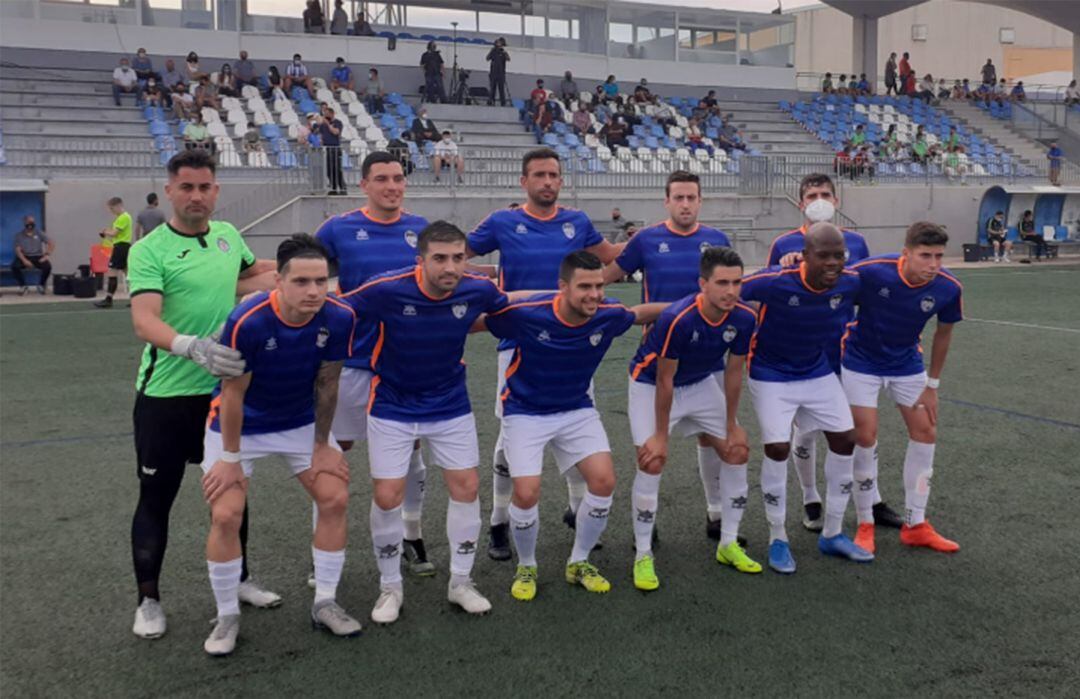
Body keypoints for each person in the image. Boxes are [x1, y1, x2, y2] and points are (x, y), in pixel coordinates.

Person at [126, 149, 278, 640]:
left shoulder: (229, 237)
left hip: (224, 394)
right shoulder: (149, 250)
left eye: (205, 187)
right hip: (166, 397)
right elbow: (144, 319)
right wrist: (191, 347)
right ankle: (148, 599)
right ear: (170, 190)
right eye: (186, 187)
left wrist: (304, 271)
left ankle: (240, 579)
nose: (197, 196)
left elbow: (250, 275)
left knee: (232, 492)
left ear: (216, 191)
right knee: (157, 498)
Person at [340, 222, 513, 624]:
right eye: (439, 258)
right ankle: (390, 586)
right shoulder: (385, 288)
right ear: (421, 260)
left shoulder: (477, 290)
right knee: (386, 496)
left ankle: (461, 582)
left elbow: (508, 310)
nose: (450, 267)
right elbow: (337, 308)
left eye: (458, 257)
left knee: (466, 488)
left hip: (450, 404)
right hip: (392, 405)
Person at [200, 235, 360, 656]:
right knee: (226, 513)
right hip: (239, 426)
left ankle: (325, 601)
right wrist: (231, 459)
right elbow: (232, 393)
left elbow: (328, 383)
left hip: (299, 422)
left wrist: (323, 444)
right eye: (302, 282)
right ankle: (226, 614)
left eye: (321, 281)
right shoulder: (248, 319)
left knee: (335, 498)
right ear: (279, 282)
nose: (313, 291)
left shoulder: (340, 316)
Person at [477, 251, 665, 600]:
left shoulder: (607, 314)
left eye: (598, 286)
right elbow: (480, 321)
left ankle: (578, 562)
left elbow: (642, 313)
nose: (594, 294)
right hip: (524, 411)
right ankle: (527, 566)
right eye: (584, 287)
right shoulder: (528, 313)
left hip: (576, 409)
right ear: (562, 287)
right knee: (527, 491)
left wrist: (695, 303)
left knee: (604, 481)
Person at [466, 148, 624, 561]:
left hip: (572, 342)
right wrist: (489, 288)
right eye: (539, 175)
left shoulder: (578, 222)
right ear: (524, 181)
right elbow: (455, 254)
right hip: (517, 342)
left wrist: (590, 294)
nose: (548, 182)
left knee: (574, 424)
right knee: (508, 437)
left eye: (554, 174)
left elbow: (614, 259)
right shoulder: (502, 221)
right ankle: (499, 519)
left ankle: (576, 508)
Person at [314, 152, 434, 576]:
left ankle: (412, 534)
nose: (392, 186)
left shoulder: (421, 230)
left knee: (412, 451)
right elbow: (306, 273)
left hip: (407, 363)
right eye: (382, 178)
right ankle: (323, 549)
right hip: (353, 361)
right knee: (334, 453)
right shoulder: (338, 228)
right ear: (363, 184)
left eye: (398, 178)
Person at [765, 174, 902, 531]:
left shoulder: (856, 241)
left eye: (826, 194)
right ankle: (811, 497)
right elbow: (769, 290)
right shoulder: (784, 243)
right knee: (806, 430)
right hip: (801, 350)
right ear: (801, 203)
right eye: (812, 195)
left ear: (837, 201)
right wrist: (788, 265)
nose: (819, 200)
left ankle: (872, 497)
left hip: (846, 350)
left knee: (858, 427)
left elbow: (866, 291)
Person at [741, 223, 873, 574]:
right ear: (806, 255)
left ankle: (831, 532)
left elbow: (883, 277)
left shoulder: (850, 281)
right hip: (770, 373)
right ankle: (777, 537)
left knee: (847, 439)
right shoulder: (776, 281)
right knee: (778, 447)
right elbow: (731, 291)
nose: (833, 263)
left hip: (817, 371)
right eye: (824, 256)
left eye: (839, 255)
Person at [627, 247, 759, 590]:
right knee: (652, 459)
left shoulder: (744, 317)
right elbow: (664, 378)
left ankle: (728, 543)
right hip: (649, 383)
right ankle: (643, 553)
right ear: (703, 284)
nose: (731, 291)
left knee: (737, 450)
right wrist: (660, 435)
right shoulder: (677, 317)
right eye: (722, 283)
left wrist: (732, 424)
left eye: (737, 282)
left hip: (700, 383)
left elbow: (733, 371)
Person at [844, 222, 963, 556]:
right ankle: (865, 522)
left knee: (926, 431)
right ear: (906, 253)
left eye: (939, 256)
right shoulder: (871, 272)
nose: (933, 265)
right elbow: (830, 287)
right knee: (865, 436)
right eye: (925, 256)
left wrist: (932, 384)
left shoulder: (948, 287)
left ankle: (916, 523)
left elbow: (944, 333)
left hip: (907, 365)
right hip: (860, 364)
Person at [94, 197, 134, 308]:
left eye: (112, 208)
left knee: (112, 272)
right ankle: (135, 299)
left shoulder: (123, 217)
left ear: (118, 206)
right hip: (123, 246)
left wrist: (105, 231)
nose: (111, 211)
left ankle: (108, 299)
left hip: (121, 247)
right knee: (128, 274)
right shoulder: (123, 217)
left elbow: (114, 233)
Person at [11, 215, 53, 295]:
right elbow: (18, 250)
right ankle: (23, 286)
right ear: (25, 223)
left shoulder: (39, 233)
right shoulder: (19, 235)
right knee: (14, 266)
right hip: (25, 256)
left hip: (38, 256)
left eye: (32, 222)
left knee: (48, 267)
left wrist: (47, 255)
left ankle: (41, 285)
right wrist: (24, 260)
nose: (31, 224)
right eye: (29, 222)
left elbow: (51, 243)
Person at [317, 107, 345, 196]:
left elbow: (336, 132)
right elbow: (321, 135)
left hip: (335, 149)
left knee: (337, 169)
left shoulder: (337, 123)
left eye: (327, 114)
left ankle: (342, 188)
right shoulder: (322, 125)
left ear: (332, 114)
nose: (325, 116)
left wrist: (328, 124)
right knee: (329, 170)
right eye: (324, 114)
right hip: (326, 149)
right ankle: (333, 188)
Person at [486, 38, 510, 107]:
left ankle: (503, 102)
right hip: (493, 73)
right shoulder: (493, 51)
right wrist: (491, 51)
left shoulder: (503, 52)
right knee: (492, 88)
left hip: (501, 73)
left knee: (501, 89)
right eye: (498, 43)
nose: (499, 44)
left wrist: (504, 52)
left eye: (500, 43)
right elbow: (487, 58)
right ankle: (491, 101)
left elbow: (508, 59)